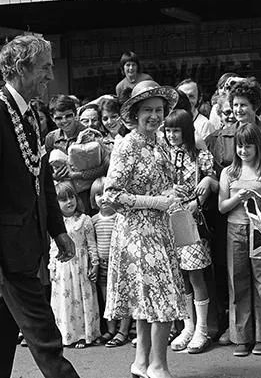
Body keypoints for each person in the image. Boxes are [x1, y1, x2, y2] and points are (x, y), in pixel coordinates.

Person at [0, 33, 79, 378]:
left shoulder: (29, 113)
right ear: (20, 68)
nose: (50, 75)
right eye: (44, 67)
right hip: (8, 251)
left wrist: (58, 231)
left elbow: (41, 179)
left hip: (28, 243)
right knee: (45, 336)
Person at [102, 80, 187, 378]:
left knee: (147, 300)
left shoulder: (160, 143)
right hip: (136, 234)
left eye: (159, 110)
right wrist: (155, 201)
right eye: (148, 110)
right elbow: (111, 194)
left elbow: (163, 182)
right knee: (160, 299)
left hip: (160, 230)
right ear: (135, 113)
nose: (154, 115)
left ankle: (141, 363)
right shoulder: (127, 144)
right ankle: (157, 365)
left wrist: (173, 193)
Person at [218, 123, 261, 358]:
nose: (243, 151)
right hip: (236, 229)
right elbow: (222, 207)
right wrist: (238, 198)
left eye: (248, 146)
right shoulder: (229, 173)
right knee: (238, 282)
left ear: (258, 147)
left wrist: (257, 200)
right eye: (240, 146)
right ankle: (241, 337)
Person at [163, 109, 217, 355]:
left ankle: (202, 328)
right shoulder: (162, 155)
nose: (172, 135)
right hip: (168, 218)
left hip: (192, 218)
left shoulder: (201, 156)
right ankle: (188, 326)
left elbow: (213, 183)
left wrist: (201, 193)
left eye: (176, 130)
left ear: (186, 130)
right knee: (180, 276)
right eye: (168, 130)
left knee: (196, 275)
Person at [50, 182, 101, 348]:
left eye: (71, 197)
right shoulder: (56, 224)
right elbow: (53, 246)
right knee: (65, 302)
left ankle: (83, 335)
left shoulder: (84, 220)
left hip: (80, 266)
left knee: (81, 301)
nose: (69, 202)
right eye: (63, 199)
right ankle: (65, 334)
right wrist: (52, 267)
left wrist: (95, 264)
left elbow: (91, 244)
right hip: (63, 267)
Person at [92, 192, 132, 348]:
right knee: (107, 297)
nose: (103, 198)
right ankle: (110, 329)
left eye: (106, 194)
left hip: (120, 264)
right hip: (102, 265)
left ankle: (123, 331)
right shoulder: (93, 220)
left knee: (123, 296)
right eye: (97, 194)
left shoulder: (119, 217)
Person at [177, 79, 213, 149]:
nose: (186, 100)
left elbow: (210, 154)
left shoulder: (205, 125)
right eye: (182, 96)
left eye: (191, 96)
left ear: (199, 99)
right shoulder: (168, 120)